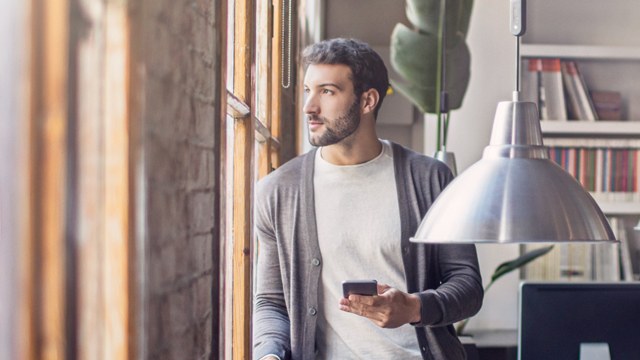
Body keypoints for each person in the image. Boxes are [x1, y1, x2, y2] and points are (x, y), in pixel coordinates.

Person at [253, 38, 483, 360]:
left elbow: (468, 286)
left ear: (367, 101)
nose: (309, 106)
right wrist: (269, 355)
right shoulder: (278, 191)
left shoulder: (430, 179)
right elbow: (271, 302)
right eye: (308, 90)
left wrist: (414, 308)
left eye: (327, 91)